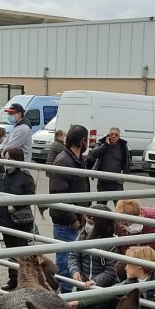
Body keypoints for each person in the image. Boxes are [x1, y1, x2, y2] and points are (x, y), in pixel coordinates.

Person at [49, 124, 90, 291]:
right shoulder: (64, 161)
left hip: (77, 221)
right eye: (87, 140)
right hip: (67, 224)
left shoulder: (77, 160)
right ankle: (65, 300)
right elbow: (57, 194)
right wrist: (72, 219)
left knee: (77, 262)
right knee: (65, 265)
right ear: (82, 140)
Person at [0, 147, 37, 291]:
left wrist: (15, 205)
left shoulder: (25, 176)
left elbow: (31, 196)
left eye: (10, 158)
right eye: (5, 158)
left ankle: (26, 281)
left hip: (20, 222)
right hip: (5, 221)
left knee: (22, 253)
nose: (7, 161)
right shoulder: (1, 177)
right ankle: (13, 280)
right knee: (10, 252)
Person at [68, 205, 119, 293]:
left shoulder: (111, 243)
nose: (87, 226)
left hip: (102, 288)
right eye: (86, 222)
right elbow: (73, 256)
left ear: (101, 225)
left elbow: (111, 269)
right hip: (83, 285)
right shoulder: (82, 237)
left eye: (91, 223)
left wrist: (96, 281)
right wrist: (75, 271)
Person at [88, 126, 130, 202]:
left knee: (120, 206)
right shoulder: (102, 143)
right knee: (101, 206)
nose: (113, 136)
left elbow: (127, 161)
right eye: (111, 134)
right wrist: (105, 145)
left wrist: (124, 176)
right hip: (103, 181)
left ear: (119, 137)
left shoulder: (123, 146)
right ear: (108, 135)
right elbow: (94, 154)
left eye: (116, 135)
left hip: (116, 182)